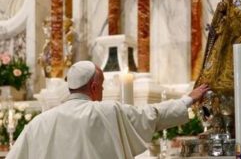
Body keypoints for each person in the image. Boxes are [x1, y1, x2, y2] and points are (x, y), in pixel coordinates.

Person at [6, 61, 209, 159]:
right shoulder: (108, 111)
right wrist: (186, 100)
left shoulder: (39, 123)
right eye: (101, 85)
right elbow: (152, 115)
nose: (102, 90)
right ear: (94, 87)